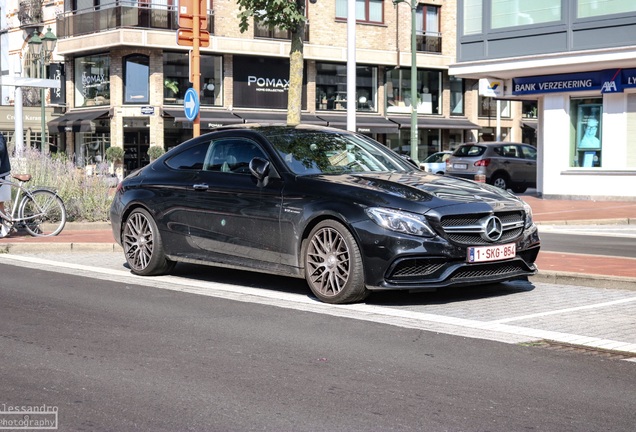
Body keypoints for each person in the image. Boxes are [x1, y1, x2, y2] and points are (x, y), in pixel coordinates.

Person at [0, 132, 11, 237]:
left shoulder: (0, 136)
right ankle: (5, 226)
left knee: (0, 202)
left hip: (2, 173)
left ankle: (6, 225)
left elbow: (1, 149)